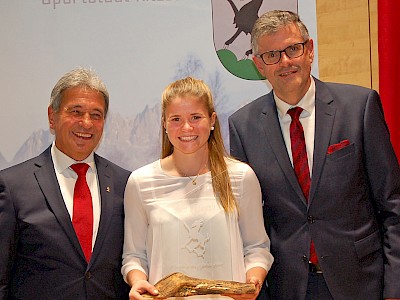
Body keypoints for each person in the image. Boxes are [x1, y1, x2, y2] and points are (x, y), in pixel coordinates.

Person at [228, 10, 400, 300]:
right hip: (289, 286)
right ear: (259, 65)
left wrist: (395, 288)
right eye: (272, 55)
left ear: (309, 50)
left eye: (293, 49)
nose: (285, 62)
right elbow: (249, 222)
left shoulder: (359, 107)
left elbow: (393, 204)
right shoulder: (242, 126)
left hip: (361, 282)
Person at [122, 77, 273, 300]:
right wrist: (138, 281)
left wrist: (253, 280)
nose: (186, 127)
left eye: (195, 117)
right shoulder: (141, 182)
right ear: (164, 123)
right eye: (176, 119)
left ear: (212, 120)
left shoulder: (241, 177)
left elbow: (256, 247)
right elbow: (134, 256)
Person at [0, 67, 131, 299]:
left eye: (96, 114)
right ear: (52, 116)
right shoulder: (12, 186)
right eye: (76, 111)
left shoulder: (125, 184)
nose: (86, 123)